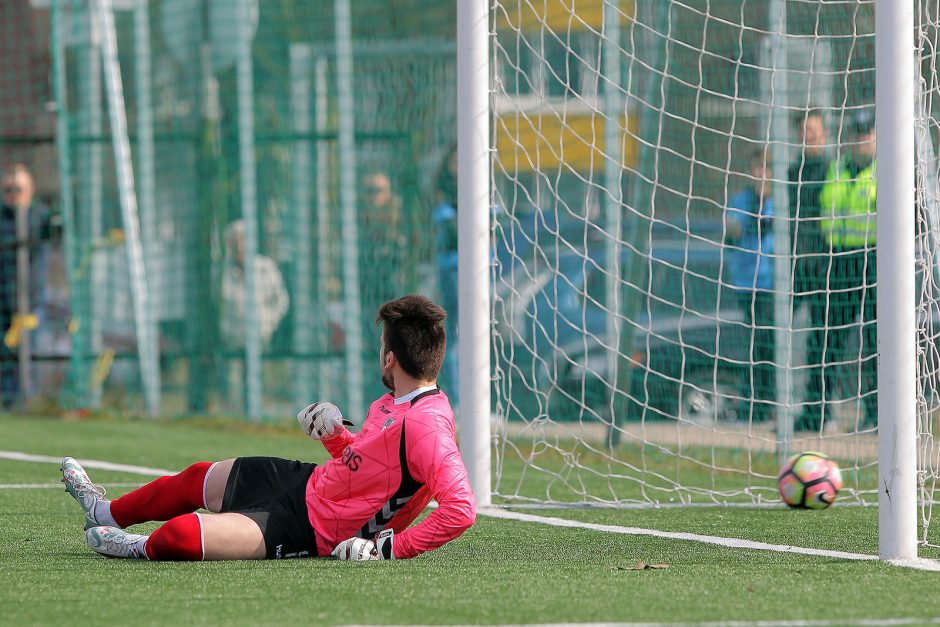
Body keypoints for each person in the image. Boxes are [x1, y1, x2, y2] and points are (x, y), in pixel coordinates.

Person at [61, 294, 476, 561]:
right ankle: (105, 513)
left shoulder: (428, 425)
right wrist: (332, 435)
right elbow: (367, 470)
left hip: (312, 530)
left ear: (390, 358)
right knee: (196, 478)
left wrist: (391, 548)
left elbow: (461, 510)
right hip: (307, 482)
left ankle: (135, 548)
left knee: (179, 538)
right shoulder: (394, 401)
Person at [806, 108, 877, 431]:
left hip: (875, 261)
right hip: (838, 262)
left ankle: (877, 414)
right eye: (856, 135)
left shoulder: (887, 170)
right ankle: (817, 413)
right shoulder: (835, 168)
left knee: (878, 340)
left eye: (866, 134)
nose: (860, 140)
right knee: (824, 341)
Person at [788, 110, 831, 430]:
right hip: (792, 267)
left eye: (813, 130)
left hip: (824, 268)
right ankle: (771, 406)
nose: (809, 136)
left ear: (825, 133)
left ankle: (819, 412)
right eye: (804, 131)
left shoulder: (833, 171)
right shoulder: (790, 173)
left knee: (821, 343)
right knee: (773, 335)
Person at [725, 149, 775, 423]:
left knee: (770, 344)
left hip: (773, 284)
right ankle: (756, 404)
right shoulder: (743, 199)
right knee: (757, 345)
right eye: (758, 168)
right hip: (748, 284)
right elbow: (732, 226)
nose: (761, 174)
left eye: (766, 168)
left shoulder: (779, 201)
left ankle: (771, 403)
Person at [0, 163, 51, 408]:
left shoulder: (40, 217)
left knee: (28, 358)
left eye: (18, 188)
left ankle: (27, 403)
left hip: (30, 301)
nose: (12, 194)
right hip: (3, 302)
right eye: (7, 189)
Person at [219, 219, 290, 351]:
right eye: (235, 243)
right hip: (231, 346)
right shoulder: (222, 274)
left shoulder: (266, 268)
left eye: (243, 241)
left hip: (260, 343)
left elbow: (281, 301)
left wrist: (268, 325)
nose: (239, 247)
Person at [432, 146, 459, 407]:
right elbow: (449, 233)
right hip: (453, 271)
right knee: (454, 335)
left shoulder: (484, 193)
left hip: (482, 271)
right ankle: (458, 400)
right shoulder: (444, 196)